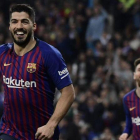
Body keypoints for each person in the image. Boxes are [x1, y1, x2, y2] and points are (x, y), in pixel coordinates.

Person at [0, 4, 75, 140]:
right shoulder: (2, 53)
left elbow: (69, 93)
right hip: (9, 132)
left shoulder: (49, 54)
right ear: (10, 27)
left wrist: (51, 125)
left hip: (41, 134)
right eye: (14, 22)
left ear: (34, 26)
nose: (19, 26)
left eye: (24, 21)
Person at [119, 58, 140, 140]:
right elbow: (129, 124)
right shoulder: (127, 99)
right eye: (139, 70)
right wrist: (125, 133)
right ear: (134, 75)